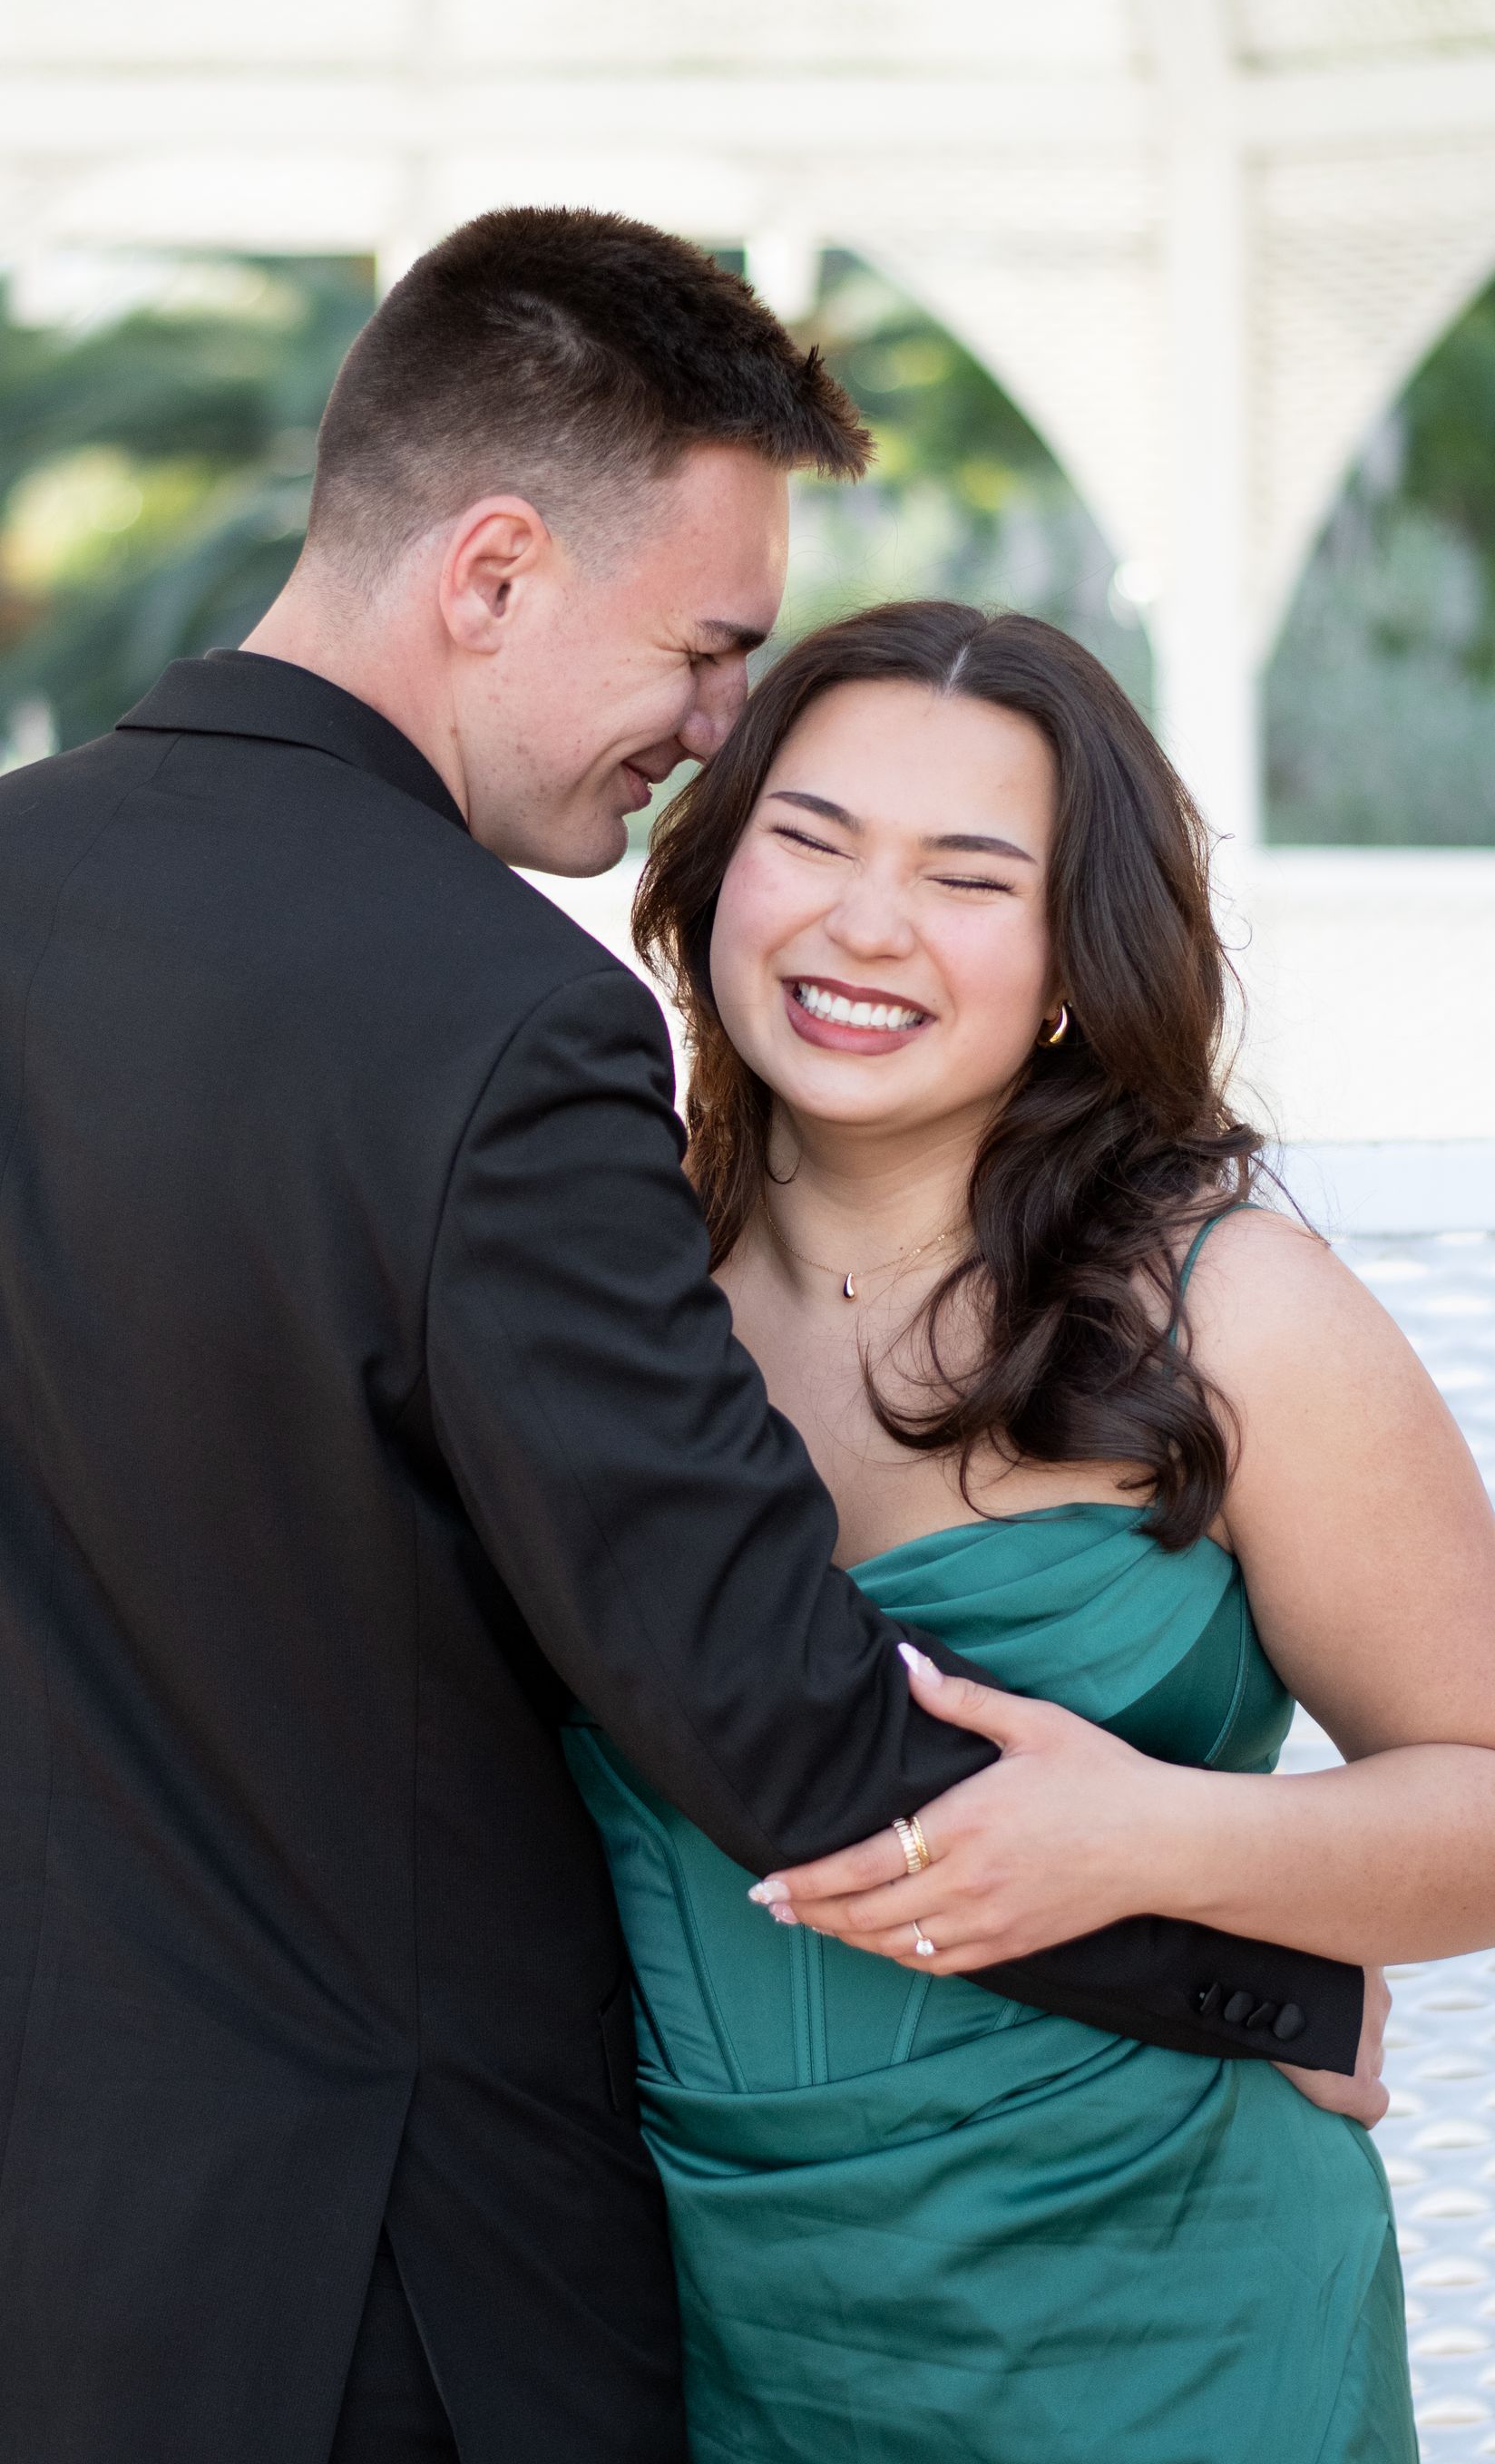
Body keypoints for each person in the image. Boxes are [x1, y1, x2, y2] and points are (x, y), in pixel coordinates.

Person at [0, 217, 1371, 2464]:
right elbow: (755, 1711)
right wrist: (1242, 1973)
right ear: (493, 568)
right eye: (708, 649)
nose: (718, 725)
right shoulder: (505, 1019)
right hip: (384, 2299)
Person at [566, 595, 1495, 2461]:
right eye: (808, 840)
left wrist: (1164, 1841)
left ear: (1079, 954)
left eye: (968, 880)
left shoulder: (1237, 1316)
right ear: (712, 871)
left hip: (1164, 2322)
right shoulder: (587, 1293)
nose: (864, 926)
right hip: (679, 2313)